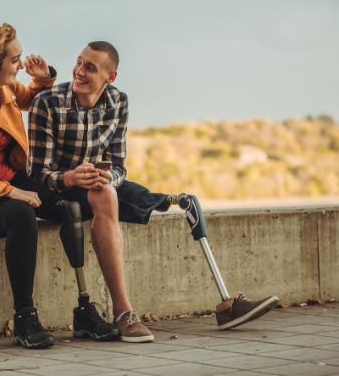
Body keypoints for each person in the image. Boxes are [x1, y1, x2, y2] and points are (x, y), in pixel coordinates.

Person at [27, 41, 279, 341]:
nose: (79, 71)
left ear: (111, 77)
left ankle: (227, 304)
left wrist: (110, 177)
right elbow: (37, 174)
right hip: (57, 189)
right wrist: (70, 177)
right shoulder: (48, 102)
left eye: (90, 67)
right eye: (79, 62)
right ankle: (123, 313)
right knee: (104, 195)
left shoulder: (119, 101)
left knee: (185, 202)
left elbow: (119, 165)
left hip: (96, 183)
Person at [0, 24, 119, 349]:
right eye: (14, 59)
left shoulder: (5, 88)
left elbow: (33, 98)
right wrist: (10, 191)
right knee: (21, 213)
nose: (19, 64)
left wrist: (43, 78)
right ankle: (24, 318)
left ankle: (85, 310)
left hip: (4, 176)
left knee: (67, 206)